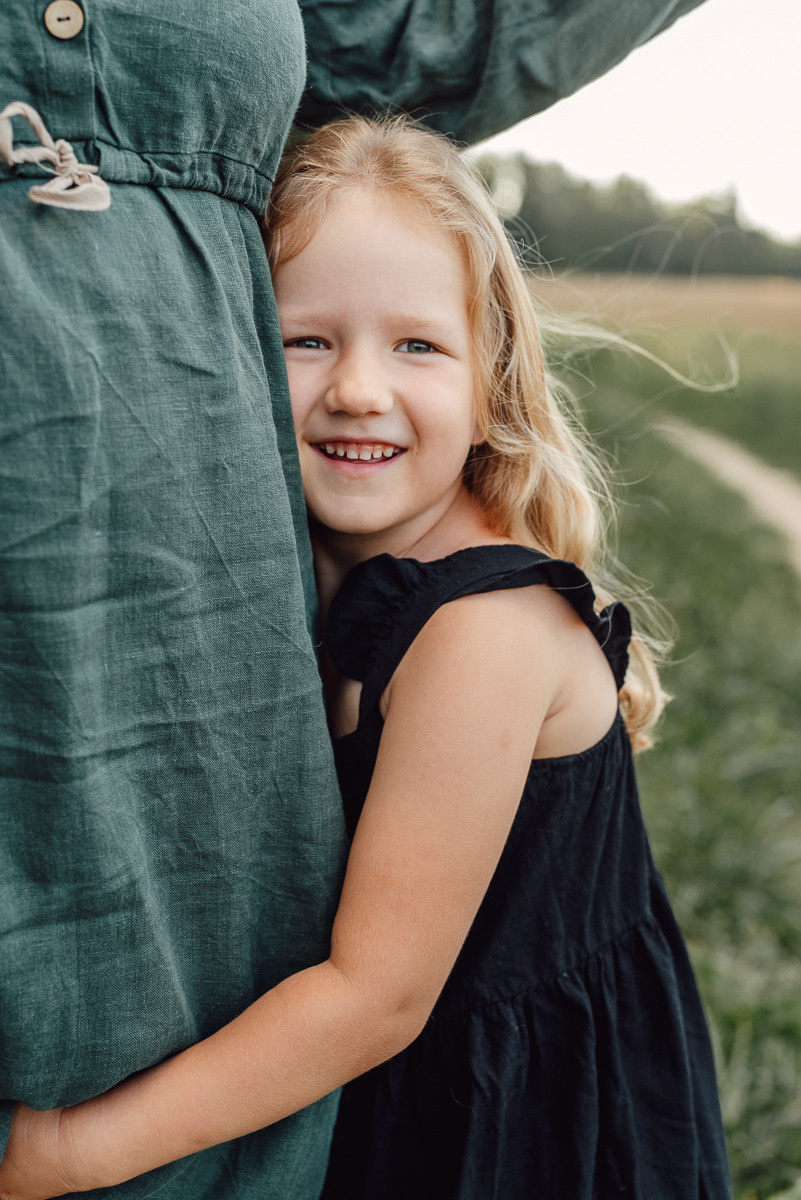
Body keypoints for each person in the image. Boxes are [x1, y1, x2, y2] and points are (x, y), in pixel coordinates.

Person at [0, 115, 732, 1200]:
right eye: (307, 339)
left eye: (416, 346)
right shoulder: (277, 570)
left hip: (521, 1115)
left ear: (492, 382)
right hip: (396, 1072)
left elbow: (377, 996)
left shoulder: (481, 630)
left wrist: (67, 1152)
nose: (357, 388)